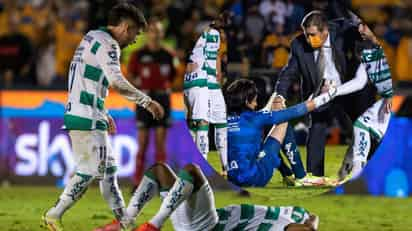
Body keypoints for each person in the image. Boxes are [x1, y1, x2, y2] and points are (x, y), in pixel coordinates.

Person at [42, 3, 164, 231]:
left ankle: (125, 222)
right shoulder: (109, 45)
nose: (135, 39)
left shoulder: (91, 37)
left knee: (108, 172)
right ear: (126, 27)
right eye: (136, 33)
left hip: (86, 112)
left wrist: (103, 111)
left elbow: (86, 79)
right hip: (85, 116)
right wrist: (147, 101)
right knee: (89, 171)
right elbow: (116, 81)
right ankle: (53, 215)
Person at [275, 10, 376, 177]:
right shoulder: (299, 45)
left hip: (347, 90)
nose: (308, 39)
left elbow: (353, 25)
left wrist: (361, 27)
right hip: (319, 93)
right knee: (317, 128)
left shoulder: (344, 33)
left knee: (360, 130)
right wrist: (280, 95)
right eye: (306, 34)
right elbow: (288, 73)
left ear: (325, 31)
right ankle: (315, 177)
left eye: (312, 35)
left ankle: (361, 166)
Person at [96, 162, 320, 231]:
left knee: (192, 171)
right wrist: (311, 222)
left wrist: (309, 226)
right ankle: (124, 223)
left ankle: (152, 226)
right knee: (159, 171)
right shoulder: (297, 212)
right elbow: (312, 216)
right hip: (199, 219)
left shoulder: (284, 226)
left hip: (208, 227)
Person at [224, 79, 336, 187]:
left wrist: (273, 98)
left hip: (232, 179)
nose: (256, 103)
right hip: (254, 178)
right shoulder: (256, 118)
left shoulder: (226, 120)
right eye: (254, 100)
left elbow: (260, 114)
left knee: (256, 145)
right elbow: (294, 112)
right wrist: (326, 97)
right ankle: (301, 177)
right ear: (247, 101)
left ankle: (287, 174)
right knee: (283, 120)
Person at [333, 22, 393, 181]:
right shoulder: (368, 49)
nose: (361, 30)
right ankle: (351, 171)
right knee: (362, 130)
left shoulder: (389, 45)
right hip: (371, 101)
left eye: (364, 26)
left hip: (386, 101)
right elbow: (360, 80)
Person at [127, 18, 176, 186]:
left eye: (158, 31)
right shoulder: (138, 55)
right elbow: (130, 77)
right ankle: (137, 183)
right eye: (152, 31)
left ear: (162, 34)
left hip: (162, 99)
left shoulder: (168, 55)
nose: (155, 34)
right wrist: (140, 88)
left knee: (160, 145)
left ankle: (162, 183)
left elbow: (173, 77)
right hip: (144, 100)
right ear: (147, 34)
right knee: (142, 144)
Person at [183, 12, 231, 172]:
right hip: (199, 81)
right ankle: (199, 167)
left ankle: (226, 168)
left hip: (212, 84)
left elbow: (217, 56)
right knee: (199, 122)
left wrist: (219, 75)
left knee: (221, 122)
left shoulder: (217, 36)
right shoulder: (200, 33)